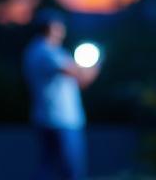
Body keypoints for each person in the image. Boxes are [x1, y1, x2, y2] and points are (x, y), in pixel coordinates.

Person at [23, 10, 99, 180]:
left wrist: (91, 68)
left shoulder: (51, 51)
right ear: (52, 28)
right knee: (70, 171)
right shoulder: (44, 51)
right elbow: (77, 75)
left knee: (50, 167)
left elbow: (82, 83)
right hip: (60, 119)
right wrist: (95, 63)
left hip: (55, 118)